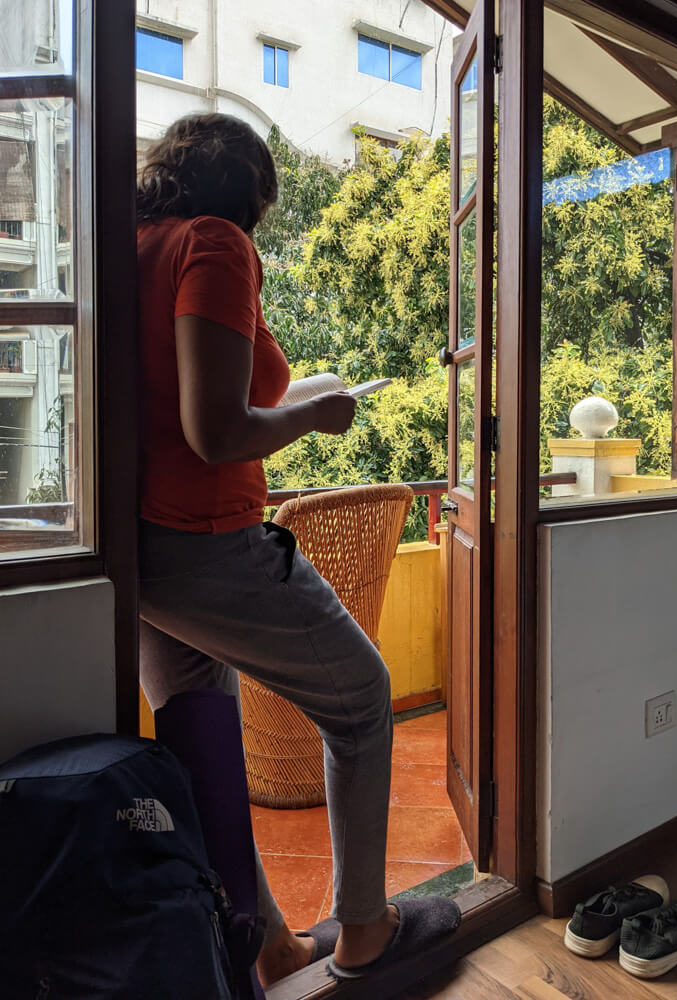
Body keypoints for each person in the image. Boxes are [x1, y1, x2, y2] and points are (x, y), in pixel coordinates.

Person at [136, 113, 460, 988]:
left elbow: (188, 401)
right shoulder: (216, 243)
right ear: (248, 192)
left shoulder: (133, 244)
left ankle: (267, 942)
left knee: (202, 745)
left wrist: (315, 390)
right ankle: (365, 931)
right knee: (360, 702)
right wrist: (318, 415)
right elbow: (216, 431)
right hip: (207, 542)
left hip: (140, 561)